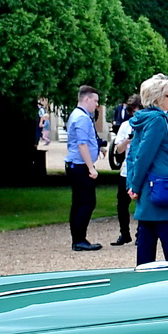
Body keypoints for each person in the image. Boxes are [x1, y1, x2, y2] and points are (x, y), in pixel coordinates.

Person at [125, 74, 168, 265]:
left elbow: (133, 154)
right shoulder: (157, 121)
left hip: (148, 186)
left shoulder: (143, 120)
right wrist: (134, 184)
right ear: (158, 97)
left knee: (146, 240)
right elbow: (144, 155)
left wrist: (132, 184)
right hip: (159, 186)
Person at [65, 84, 102, 252]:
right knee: (87, 202)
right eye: (95, 101)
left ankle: (78, 238)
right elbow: (82, 144)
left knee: (79, 202)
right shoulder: (82, 118)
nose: (96, 105)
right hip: (79, 166)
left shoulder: (80, 115)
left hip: (77, 165)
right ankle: (79, 239)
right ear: (86, 99)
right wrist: (91, 168)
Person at [109, 95, 142, 245]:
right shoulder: (125, 126)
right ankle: (124, 233)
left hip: (141, 169)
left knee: (141, 203)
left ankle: (140, 234)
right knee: (122, 204)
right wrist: (128, 140)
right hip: (126, 169)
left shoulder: (147, 125)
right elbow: (119, 150)